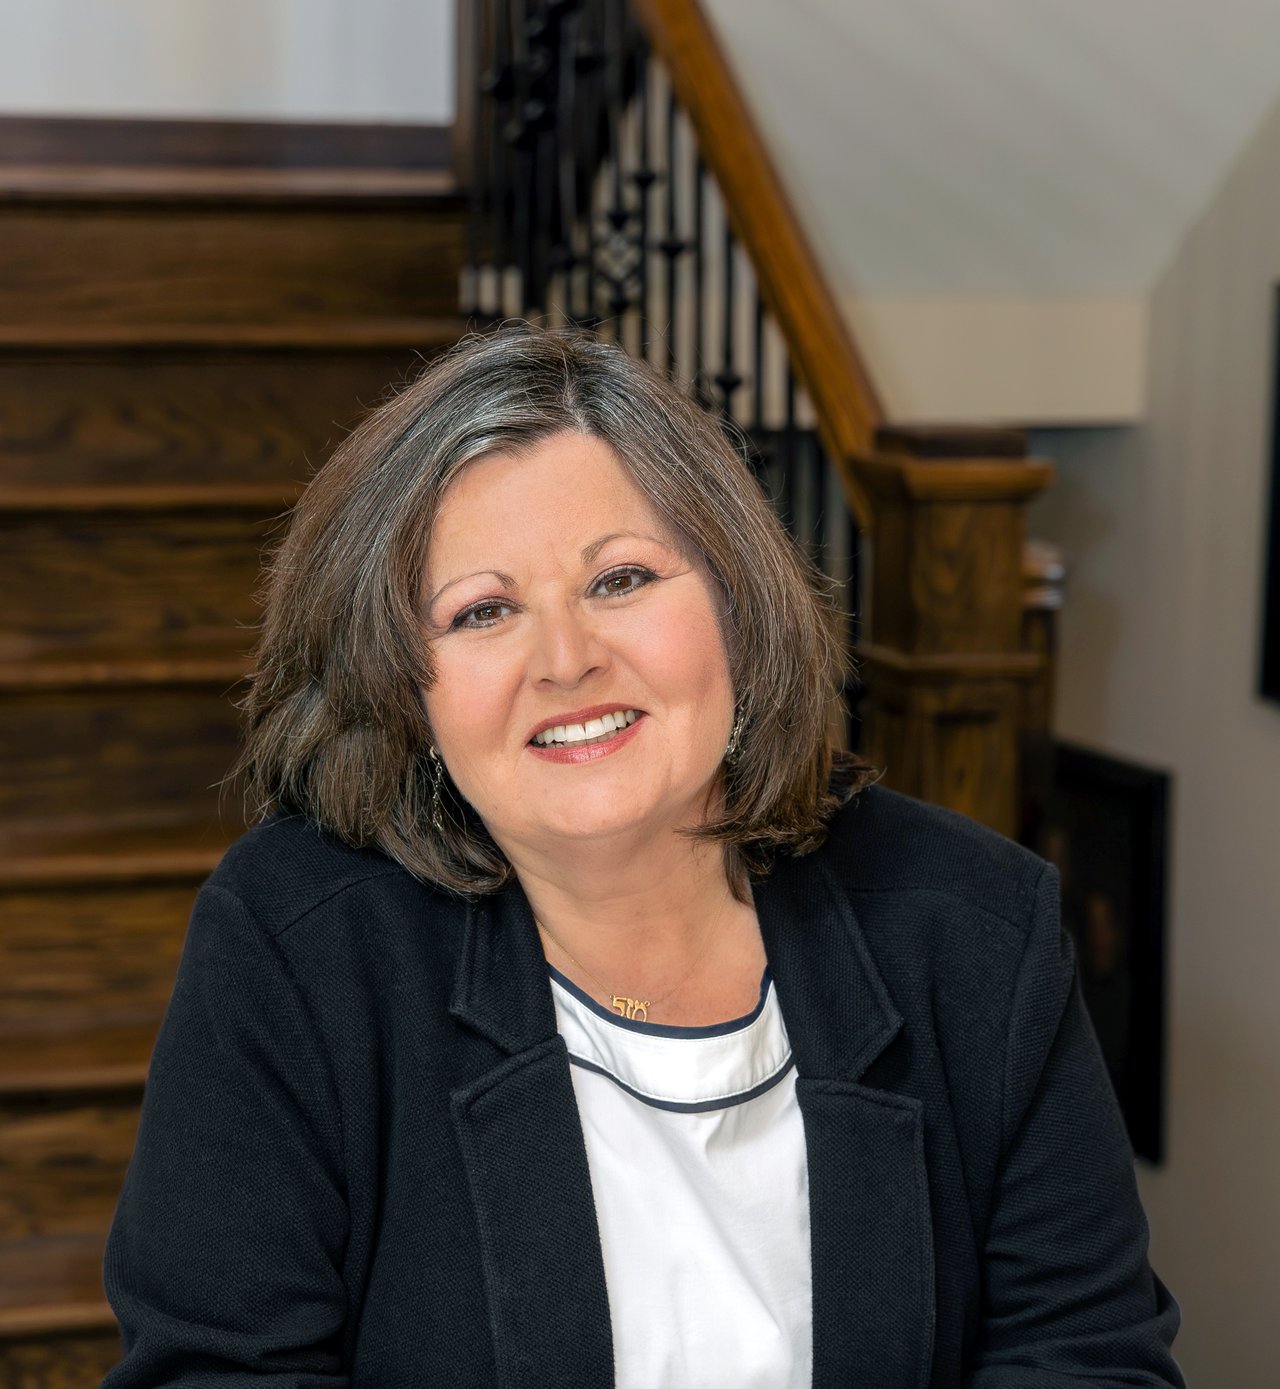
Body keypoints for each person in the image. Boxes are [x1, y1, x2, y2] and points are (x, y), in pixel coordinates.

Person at [103, 326, 1184, 1388]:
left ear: (733, 603)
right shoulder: (297, 948)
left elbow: (1087, 1356)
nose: (566, 659)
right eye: (482, 611)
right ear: (402, 693)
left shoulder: (974, 926)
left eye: (618, 580)